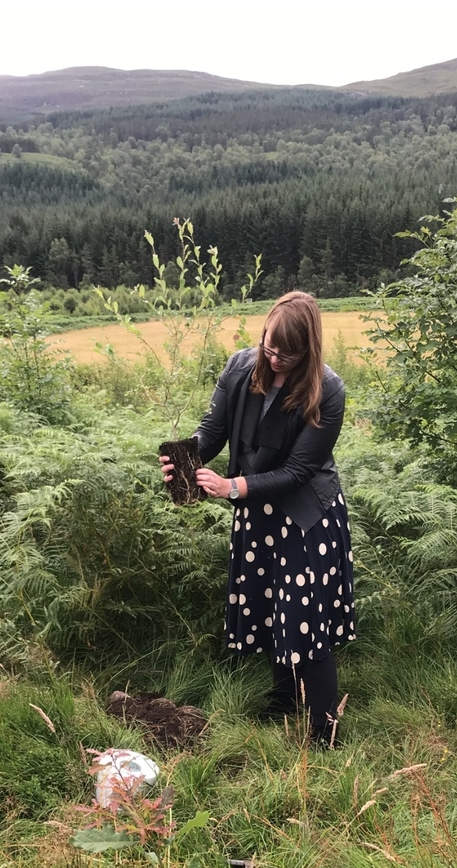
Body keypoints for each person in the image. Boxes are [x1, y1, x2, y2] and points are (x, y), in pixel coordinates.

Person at [160, 291, 355, 745]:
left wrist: (233, 488)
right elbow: (212, 432)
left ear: (308, 349)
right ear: (263, 333)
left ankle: (324, 733)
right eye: (270, 348)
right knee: (270, 608)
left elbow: (299, 470)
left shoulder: (329, 390)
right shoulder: (238, 367)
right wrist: (185, 460)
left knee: (306, 619)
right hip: (255, 512)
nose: (276, 359)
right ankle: (285, 699)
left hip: (307, 517)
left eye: (288, 354)